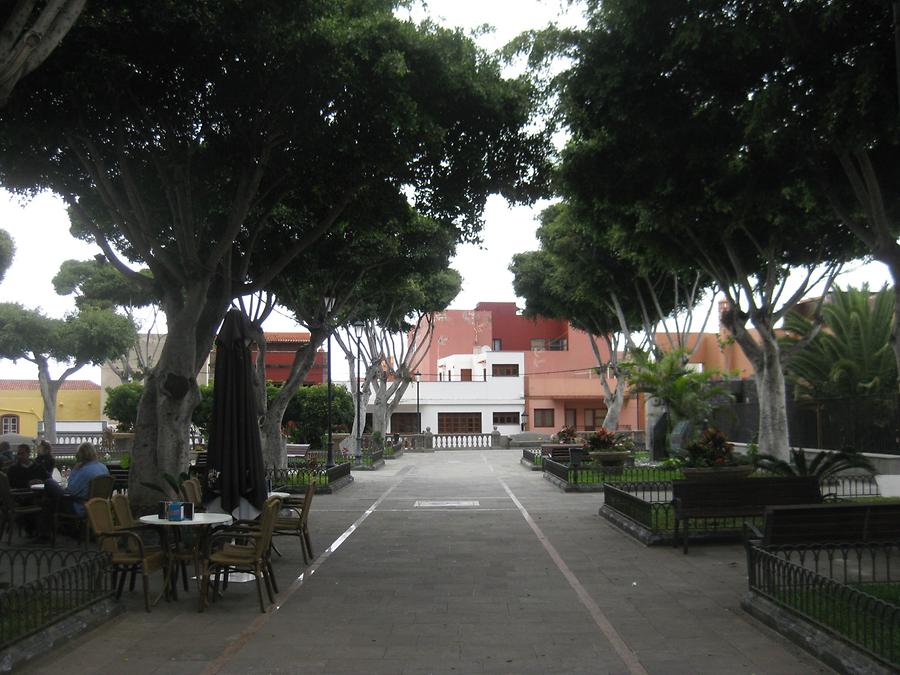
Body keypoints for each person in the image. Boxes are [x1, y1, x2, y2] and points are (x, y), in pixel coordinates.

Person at [59, 442, 109, 516]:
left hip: (82, 508)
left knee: (54, 499)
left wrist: (75, 470)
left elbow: (71, 490)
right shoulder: (103, 468)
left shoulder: (85, 470)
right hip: (100, 507)